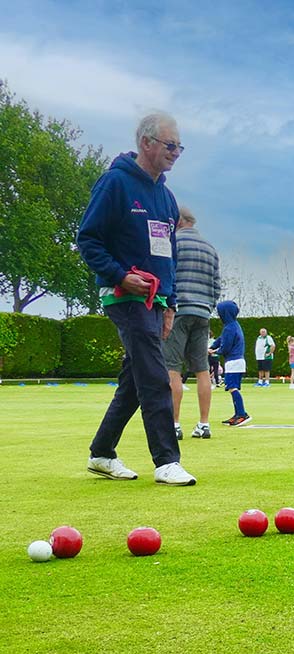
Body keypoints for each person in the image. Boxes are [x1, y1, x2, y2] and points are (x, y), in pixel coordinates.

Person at [76, 112, 196, 486]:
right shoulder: (114, 183)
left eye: (180, 146)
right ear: (146, 143)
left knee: (133, 380)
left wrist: (171, 302)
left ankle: (101, 452)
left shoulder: (166, 197)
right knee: (154, 374)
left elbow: (169, 255)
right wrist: (120, 276)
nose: (176, 152)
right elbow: (88, 239)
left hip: (157, 302)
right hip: (123, 296)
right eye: (170, 145)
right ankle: (166, 461)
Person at [164, 206, 221, 440]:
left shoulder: (173, 243)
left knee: (172, 368)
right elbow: (217, 285)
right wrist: (208, 305)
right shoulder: (210, 248)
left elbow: (167, 275)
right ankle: (203, 424)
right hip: (203, 312)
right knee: (202, 370)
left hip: (178, 310)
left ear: (177, 221)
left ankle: (174, 424)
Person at [210, 300, 251, 426]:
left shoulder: (229, 328)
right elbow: (221, 339)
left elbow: (225, 347)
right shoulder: (232, 325)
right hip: (236, 361)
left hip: (233, 361)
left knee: (233, 388)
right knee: (232, 388)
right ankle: (237, 414)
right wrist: (212, 346)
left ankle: (242, 414)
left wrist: (213, 351)